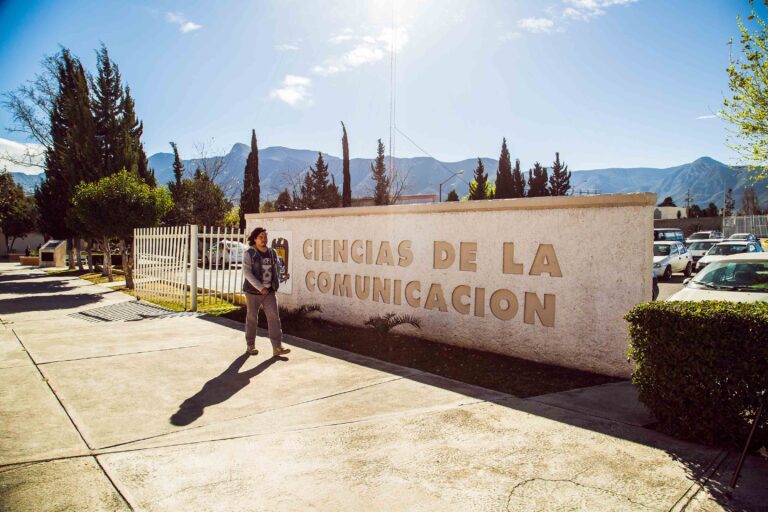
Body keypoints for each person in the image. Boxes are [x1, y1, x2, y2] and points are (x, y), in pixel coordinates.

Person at [243, 227, 291, 357]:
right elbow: (247, 273)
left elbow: (278, 267)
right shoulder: (250, 253)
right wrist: (260, 287)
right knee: (252, 318)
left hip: (269, 292)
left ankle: (277, 347)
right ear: (255, 239)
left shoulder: (272, 252)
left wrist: (275, 282)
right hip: (253, 292)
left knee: (274, 317)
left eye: (265, 237)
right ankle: (250, 345)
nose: (264, 239)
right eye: (261, 237)